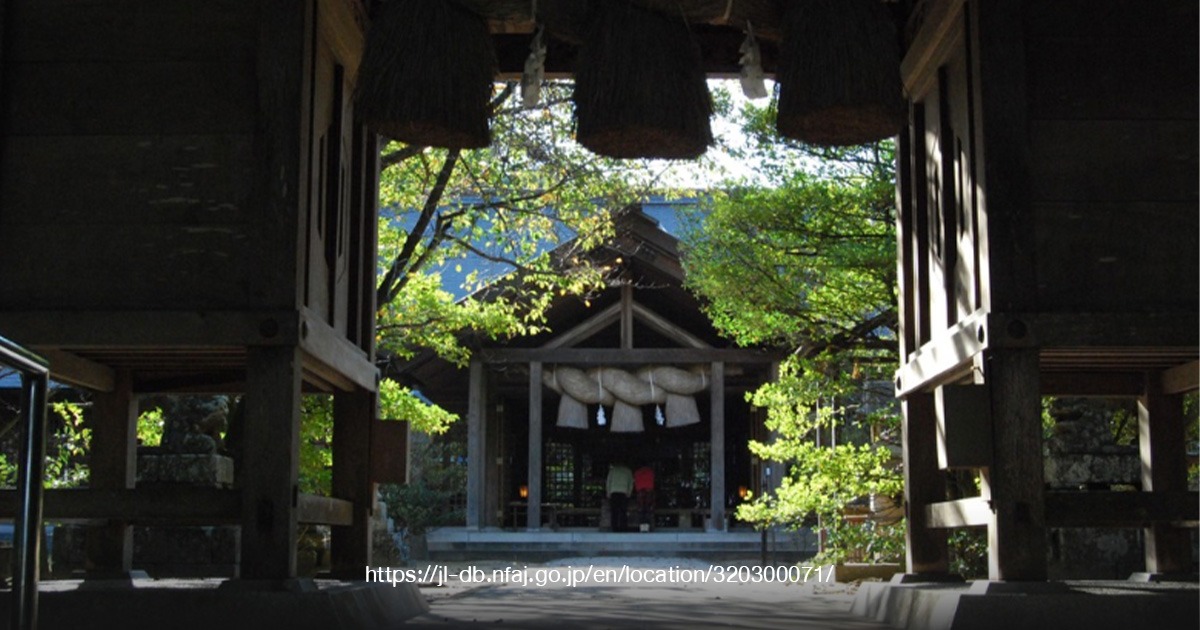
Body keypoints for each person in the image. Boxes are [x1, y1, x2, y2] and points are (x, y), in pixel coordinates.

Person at [606, 462, 633, 532]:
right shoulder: (628, 471)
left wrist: (608, 492)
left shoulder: (612, 471)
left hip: (614, 491)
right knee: (623, 511)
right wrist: (629, 492)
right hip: (623, 492)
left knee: (614, 511)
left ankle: (614, 528)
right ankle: (623, 528)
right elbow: (631, 482)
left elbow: (608, 482)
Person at [634, 464, 655, 531]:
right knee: (648, 509)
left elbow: (635, 482)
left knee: (641, 509)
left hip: (640, 491)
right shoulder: (650, 472)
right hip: (649, 491)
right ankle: (648, 526)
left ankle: (642, 526)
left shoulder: (637, 472)